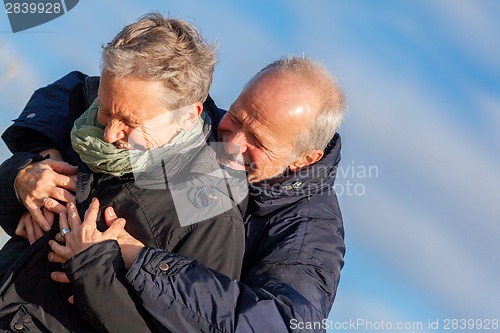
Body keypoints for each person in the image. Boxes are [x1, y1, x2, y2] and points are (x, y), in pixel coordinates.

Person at [2, 57, 346, 332]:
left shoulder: (308, 233)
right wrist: (38, 162)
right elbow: (80, 92)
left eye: (258, 141)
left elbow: (279, 325)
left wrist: (138, 257)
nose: (232, 145)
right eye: (236, 118)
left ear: (306, 159)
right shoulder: (198, 126)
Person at [0, 13, 247, 332]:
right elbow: (19, 226)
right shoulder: (78, 121)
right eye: (104, 109)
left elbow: (195, 324)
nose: (109, 134)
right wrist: (18, 178)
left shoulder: (212, 210)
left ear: (187, 116)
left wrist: (91, 270)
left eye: (131, 122)